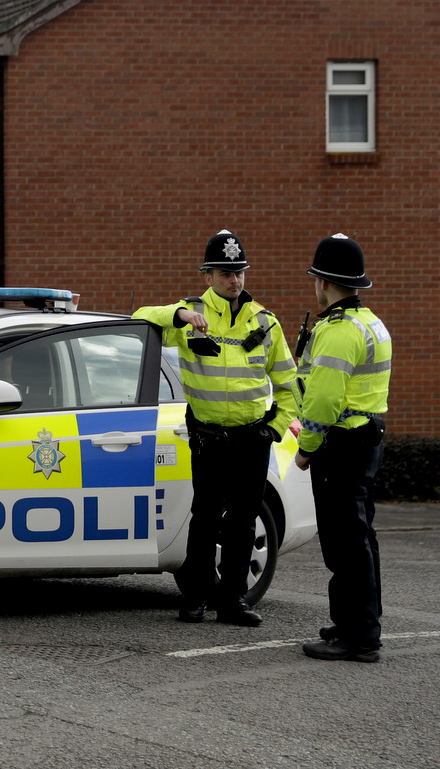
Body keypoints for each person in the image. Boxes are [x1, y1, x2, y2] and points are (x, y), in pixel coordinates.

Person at [133, 230, 297, 626]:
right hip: (208, 437)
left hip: (253, 437)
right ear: (206, 276)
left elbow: (290, 385)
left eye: (239, 272)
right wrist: (181, 315)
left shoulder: (266, 322)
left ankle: (233, 601)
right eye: (225, 273)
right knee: (205, 518)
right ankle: (195, 598)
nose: (234, 280)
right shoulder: (189, 315)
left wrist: (273, 429)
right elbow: (139, 317)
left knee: (243, 521)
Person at [294, 233, 391, 663]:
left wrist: (306, 448)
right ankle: (358, 622)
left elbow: (322, 402)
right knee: (360, 537)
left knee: (344, 543)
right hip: (366, 438)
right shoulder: (372, 323)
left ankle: (358, 637)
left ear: (323, 282)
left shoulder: (336, 333)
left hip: (342, 444)